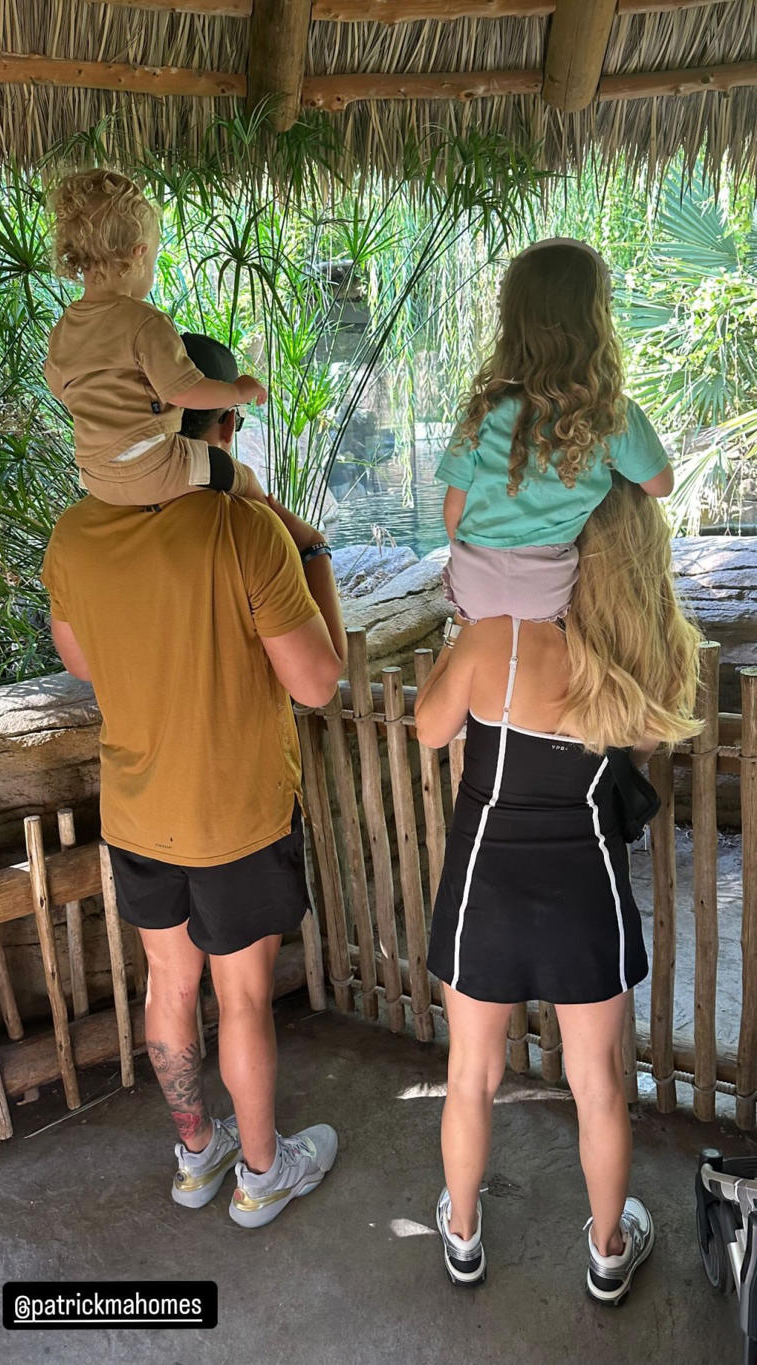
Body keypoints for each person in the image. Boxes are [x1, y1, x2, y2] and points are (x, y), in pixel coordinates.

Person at [41, 330, 347, 1228]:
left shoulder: (76, 535)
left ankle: (194, 1154)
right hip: (236, 818)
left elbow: (82, 662)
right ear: (220, 429)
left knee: (167, 987)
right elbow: (319, 683)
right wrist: (315, 551)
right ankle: (261, 1172)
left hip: (138, 814)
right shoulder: (243, 529)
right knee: (241, 996)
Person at [415, 474, 702, 1302]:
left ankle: (462, 1233)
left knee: (470, 1075)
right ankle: (610, 1251)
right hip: (587, 902)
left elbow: (428, 729)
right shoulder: (635, 656)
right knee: (599, 1085)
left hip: (484, 896)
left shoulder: (496, 639)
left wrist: (461, 631)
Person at [438, 238, 674, 630]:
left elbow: (453, 510)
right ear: (597, 320)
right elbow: (659, 485)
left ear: (513, 323)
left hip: (474, 579)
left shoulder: (483, 410)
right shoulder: (610, 413)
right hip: (547, 584)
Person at [45, 169, 264, 505]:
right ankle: (288, 538)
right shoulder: (145, 321)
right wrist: (236, 391)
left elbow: (60, 388)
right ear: (138, 253)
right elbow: (185, 389)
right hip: (152, 467)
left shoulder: (64, 329)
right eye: (153, 260)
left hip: (94, 475)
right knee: (238, 475)